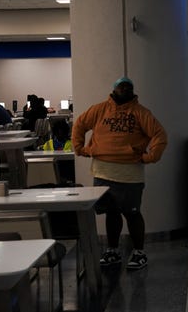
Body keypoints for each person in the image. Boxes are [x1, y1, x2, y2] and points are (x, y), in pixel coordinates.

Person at [71, 77, 167, 271]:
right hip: (103, 171)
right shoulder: (99, 110)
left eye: (127, 87)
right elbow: (79, 124)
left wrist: (149, 157)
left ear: (132, 90)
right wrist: (79, 148)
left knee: (132, 213)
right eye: (121, 86)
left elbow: (160, 135)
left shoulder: (141, 113)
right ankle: (112, 250)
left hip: (130, 174)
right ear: (114, 90)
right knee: (111, 212)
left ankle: (139, 252)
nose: (124, 89)